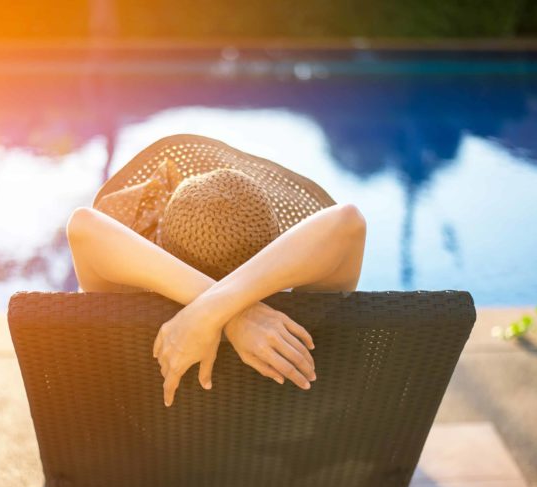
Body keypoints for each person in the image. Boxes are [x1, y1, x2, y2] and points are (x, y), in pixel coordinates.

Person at [66, 135, 366, 407]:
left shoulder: (126, 303)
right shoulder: (307, 312)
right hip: (286, 460)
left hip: (150, 458)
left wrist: (210, 310)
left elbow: (83, 225)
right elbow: (348, 222)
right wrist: (234, 313)